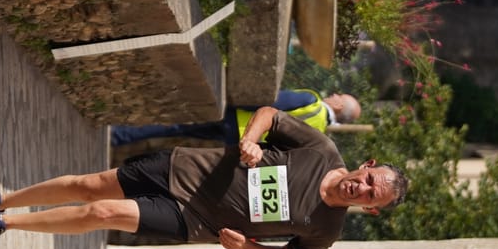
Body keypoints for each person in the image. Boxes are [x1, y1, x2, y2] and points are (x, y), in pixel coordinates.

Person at [0, 102, 406, 249]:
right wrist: (251, 140)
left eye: (372, 195)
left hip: (193, 220)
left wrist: (245, 248)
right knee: (91, 184)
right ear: (365, 165)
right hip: (183, 169)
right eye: (369, 179)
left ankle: (3, 226)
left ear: (371, 209)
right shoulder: (321, 149)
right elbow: (271, 115)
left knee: (102, 214)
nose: (362, 188)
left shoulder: (326, 230)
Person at [108, 88, 361, 151]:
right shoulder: (318, 135)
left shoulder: (312, 101)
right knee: (181, 131)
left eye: (339, 95)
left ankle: (119, 135)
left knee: (176, 122)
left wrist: (233, 99)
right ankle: (121, 137)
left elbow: (271, 101)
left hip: (237, 117)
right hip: (240, 139)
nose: (334, 94)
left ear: (339, 106)